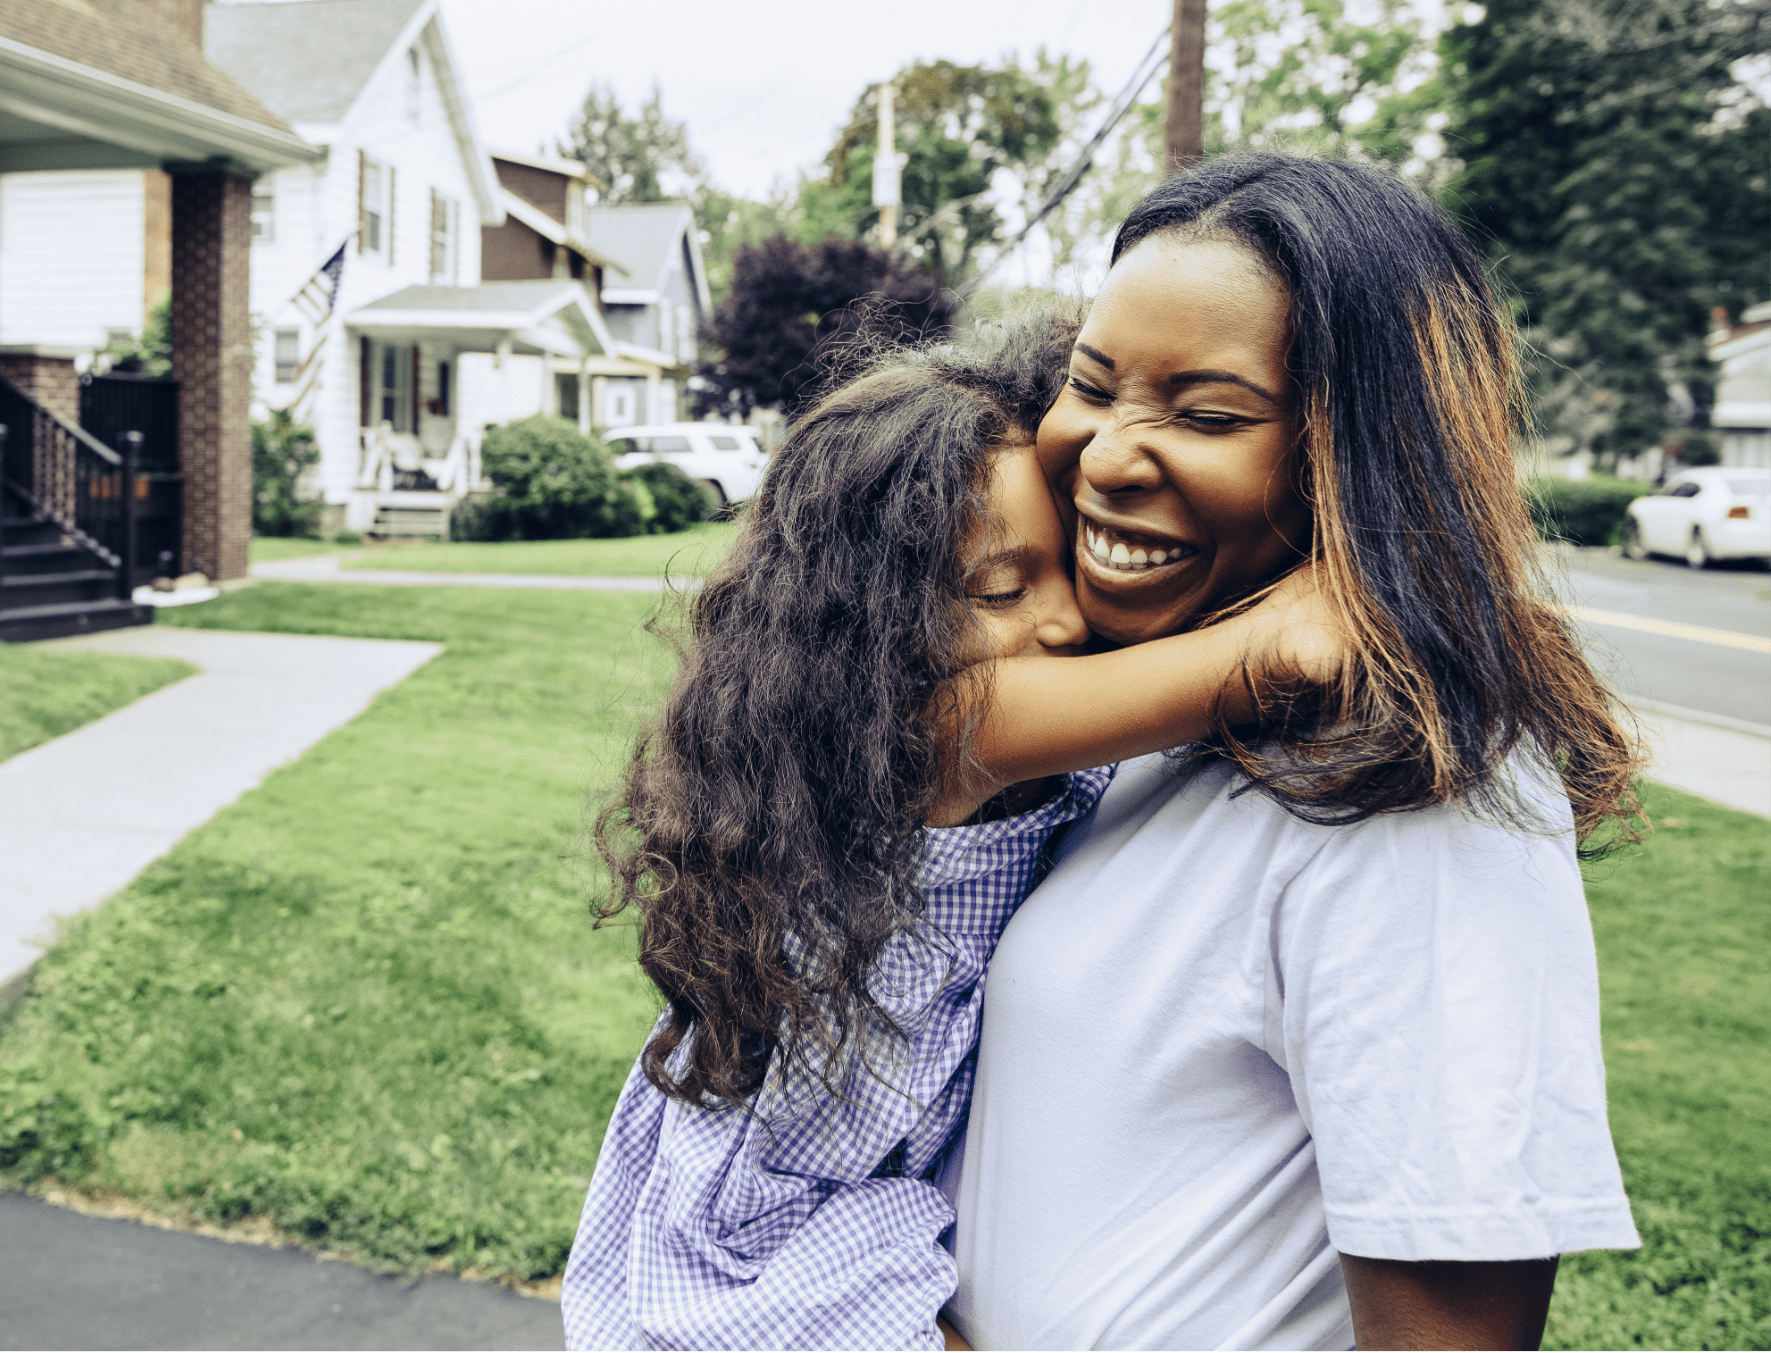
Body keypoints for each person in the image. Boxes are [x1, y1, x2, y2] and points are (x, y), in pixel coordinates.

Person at [940, 153, 1645, 1352]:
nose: (1105, 455)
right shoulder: (1159, 701)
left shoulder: (1423, 797)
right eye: (1091, 386)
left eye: (1208, 415)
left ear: (1363, 454)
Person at [561, 316, 1336, 1351]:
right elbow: (1292, 649)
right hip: (772, 1256)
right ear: (871, 637)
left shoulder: (1020, 730)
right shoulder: (942, 734)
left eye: (1066, 563)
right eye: (1001, 589)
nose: (1065, 621)